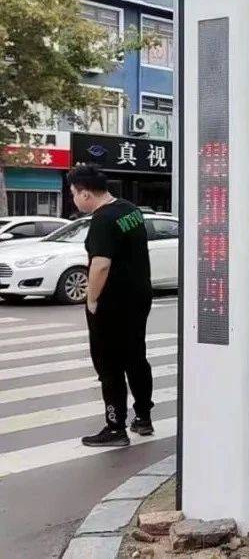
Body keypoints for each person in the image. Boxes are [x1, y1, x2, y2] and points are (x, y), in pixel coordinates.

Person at [67, 164, 155, 447]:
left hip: (112, 303)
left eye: (73, 194)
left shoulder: (103, 220)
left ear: (85, 194)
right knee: (135, 357)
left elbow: (101, 265)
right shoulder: (130, 210)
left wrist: (92, 300)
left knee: (109, 365)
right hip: (138, 298)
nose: (74, 200)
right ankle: (143, 416)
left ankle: (115, 427)